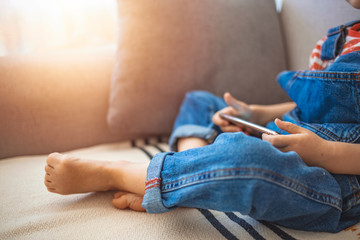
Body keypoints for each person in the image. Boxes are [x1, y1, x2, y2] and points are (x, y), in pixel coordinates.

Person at [44, 1, 360, 233]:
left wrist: (323, 152)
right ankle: (190, 177)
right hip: (293, 135)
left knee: (244, 158)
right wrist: (254, 113)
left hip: (332, 179)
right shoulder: (335, 41)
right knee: (200, 102)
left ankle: (120, 173)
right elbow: (305, 105)